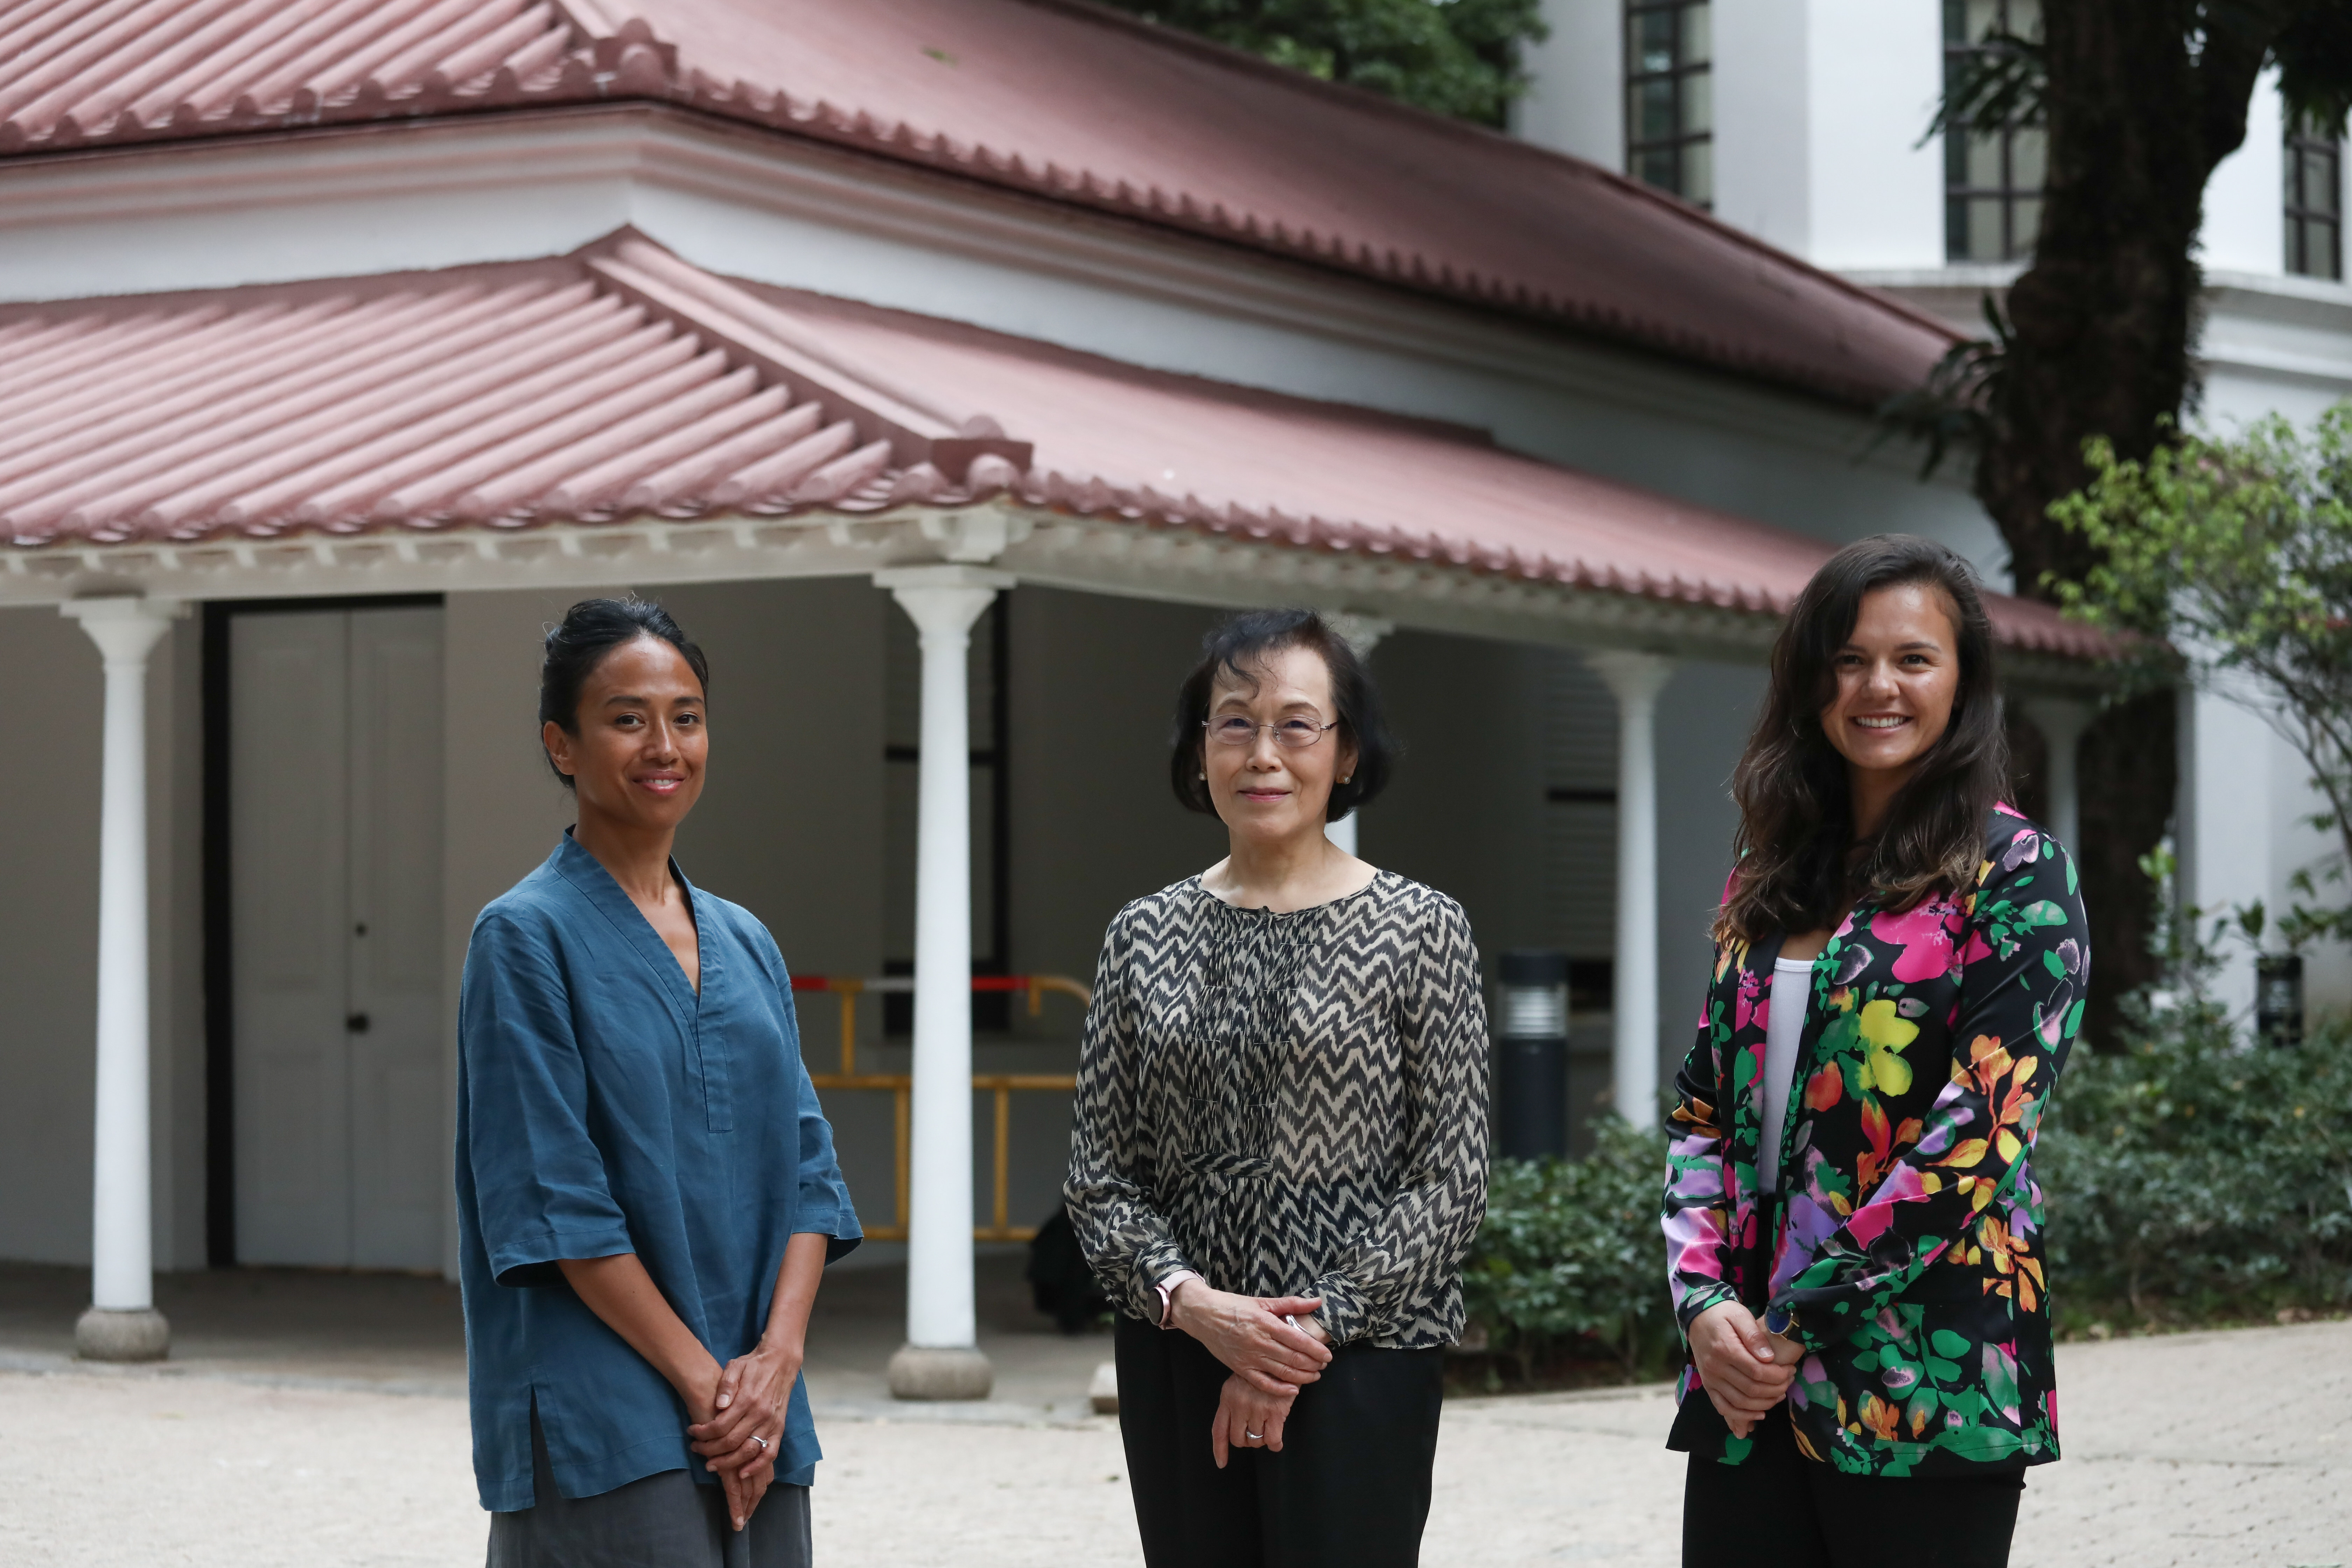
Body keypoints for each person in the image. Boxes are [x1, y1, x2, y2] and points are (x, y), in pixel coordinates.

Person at [1660, 536, 2091, 1567]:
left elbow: (1983, 1132)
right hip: (1745, 1378)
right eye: (1848, 659)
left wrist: (1795, 1320)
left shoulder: (2018, 874)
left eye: (1912, 659)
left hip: (1927, 1377)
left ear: (1963, 682)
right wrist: (1705, 1303)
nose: (1877, 687)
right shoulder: (1770, 872)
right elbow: (1703, 1110)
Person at [1064, 608, 1491, 1568]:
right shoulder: (1142, 933)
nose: (1264, 753)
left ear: (1347, 755)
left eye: (1297, 725)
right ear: (1199, 750)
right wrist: (1199, 1307)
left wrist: (1299, 1336)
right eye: (1234, 723)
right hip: (1179, 1349)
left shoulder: (1423, 928)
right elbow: (1098, 1178)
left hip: (1362, 1357)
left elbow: (1450, 1180)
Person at [456, 596, 860, 1568]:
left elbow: (811, 1171)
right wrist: (707, 1386)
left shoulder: (746, 940)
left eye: (686, 715)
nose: (663, 744)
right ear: (563, 744)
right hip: (605, 1396)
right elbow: (558, 1203)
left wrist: (775, 1366)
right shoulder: (523, 938)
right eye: (626, 718)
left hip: (756, 1392)